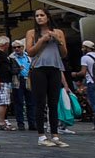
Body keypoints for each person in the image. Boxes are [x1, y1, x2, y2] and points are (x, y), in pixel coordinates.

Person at [26, 9, 67, 147]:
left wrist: (58, 40)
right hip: (38, 69)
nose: (39, 18)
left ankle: (55, 135)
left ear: (48, 17)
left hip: (54, 68)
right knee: (40, 102)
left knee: (54, 103)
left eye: (42, 15)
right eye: (36, 16)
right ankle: (41, 135)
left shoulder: (58, 32)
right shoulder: (31, 33)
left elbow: (64, 54)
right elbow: (30, 52)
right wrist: (42, 40)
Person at [0, 37, 17, 131]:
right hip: (1, 80)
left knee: (4, 102)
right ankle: (1, 122)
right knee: (2, 102)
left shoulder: (0, 53)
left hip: (4, 80)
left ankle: (2, 121)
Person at [10, 38, 31, 131]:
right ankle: (20, 123)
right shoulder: (11, 58)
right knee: (19, 102)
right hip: (18, 81)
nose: (16, 49)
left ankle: (32, 122)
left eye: (18, 47)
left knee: (31, 102)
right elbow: (10, 70)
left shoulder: (29, 56)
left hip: (29, 79)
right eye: (14, 47)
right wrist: (18, 69)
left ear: (23, 47)